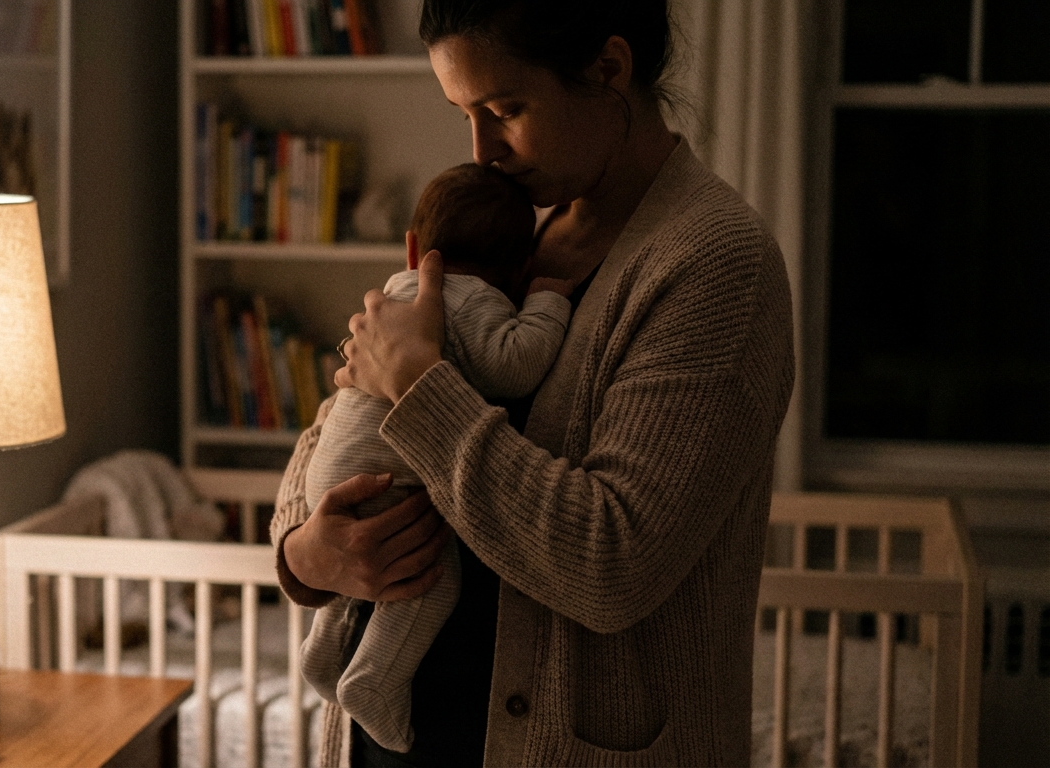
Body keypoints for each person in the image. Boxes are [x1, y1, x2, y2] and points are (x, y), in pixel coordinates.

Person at [269, 0, 795, 765]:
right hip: (388, 739)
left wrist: (419, 388)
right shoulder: (511, 230)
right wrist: (307, 554)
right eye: (464, 116)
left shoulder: (715, 264)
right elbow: (343, 420)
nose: (482, 152)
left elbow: (611, 566)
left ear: (608, 68)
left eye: (505, 110)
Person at [301, 162, 575, 753]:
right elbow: (514, 365)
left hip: (329, 479)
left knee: (359, 566)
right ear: (520, 267)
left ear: (411, 249)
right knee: (428, 580)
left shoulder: (390, 299)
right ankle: (373, 680)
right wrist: (548, 303)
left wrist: (305, 550)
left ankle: (323, 650)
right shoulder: (476, 302)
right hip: (389, 480)